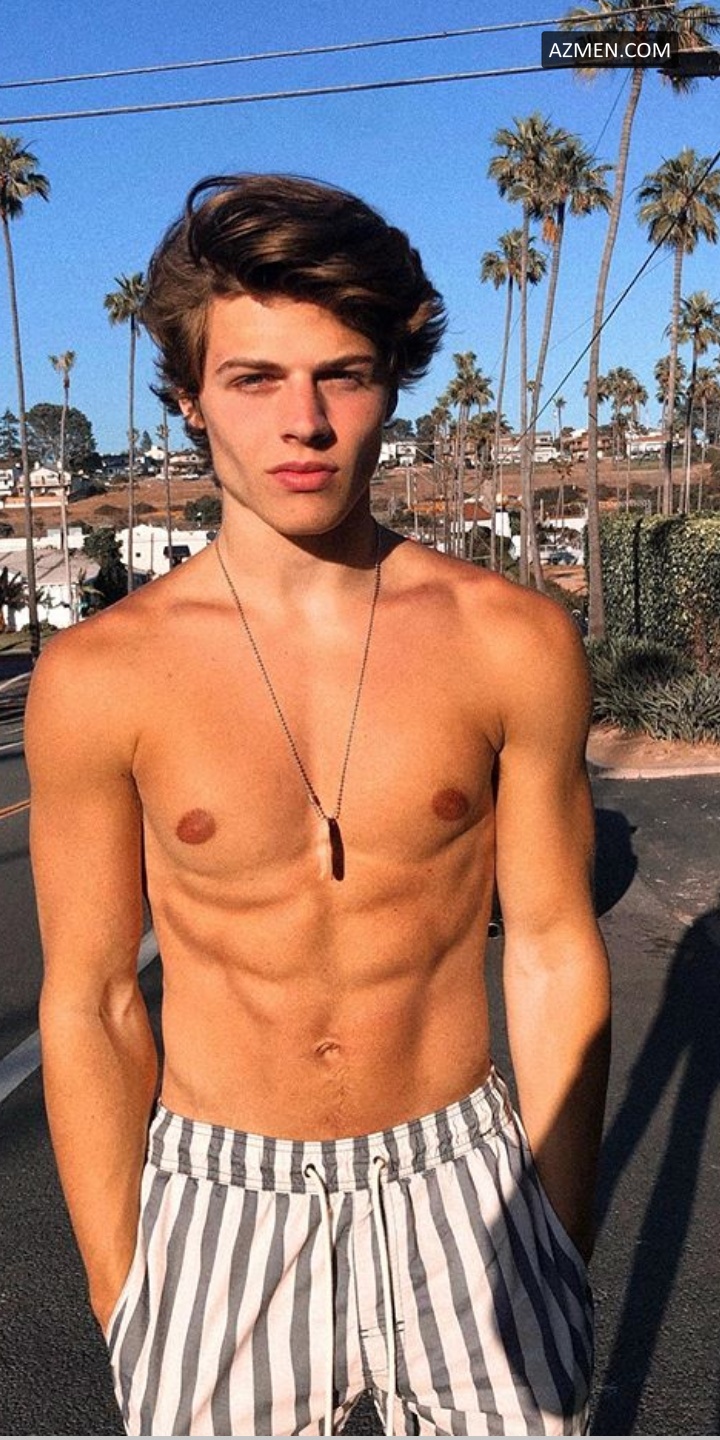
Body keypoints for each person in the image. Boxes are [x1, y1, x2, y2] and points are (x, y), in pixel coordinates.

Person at [27, 173, 611, 1438]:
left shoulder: (511, 640)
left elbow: (554, 947)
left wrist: (561, 1239)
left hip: (468, 1180)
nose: (304, 422)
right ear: (191, 398)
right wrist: (124, 1293)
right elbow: (94, 998)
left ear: (392, 378)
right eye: (254, 379)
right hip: (217, 1200)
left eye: (342, 374)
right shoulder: (99, 676)